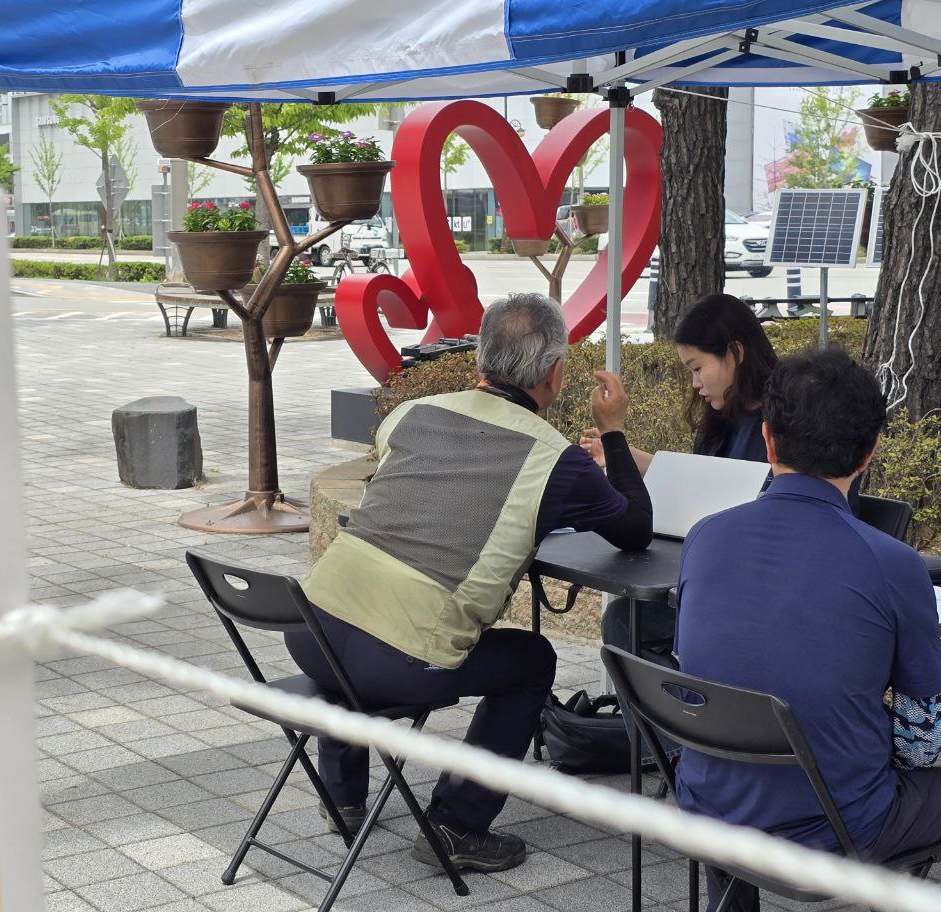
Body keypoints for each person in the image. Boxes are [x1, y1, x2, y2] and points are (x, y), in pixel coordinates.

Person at [286, 293, 653, 873]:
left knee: (357, 644)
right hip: (396, 660)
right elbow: (635, 529)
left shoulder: (408, 414)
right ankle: (457, 823)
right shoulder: (554, 460)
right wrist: (612, 433)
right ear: (556, 371)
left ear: (480, 359)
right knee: (531, 659)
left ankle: (343, 798)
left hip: (310, 628)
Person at [674, 349, 941, 912]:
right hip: (832, 834)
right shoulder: (893, 564)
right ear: (870, 452)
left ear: (767, 439)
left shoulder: (705, 538)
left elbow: (716, 670)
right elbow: (924, 743)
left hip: (706, 809)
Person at [588, 293, 778, 665]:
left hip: (756, 587)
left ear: (735, 352)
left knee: (626, 623)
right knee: (626, 618)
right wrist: (620, 453)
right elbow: (702, 485)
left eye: (697, 368)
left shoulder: (783, 423)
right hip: (718, 575)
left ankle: (667, 720)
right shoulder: (722, 424)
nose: (694, 384)